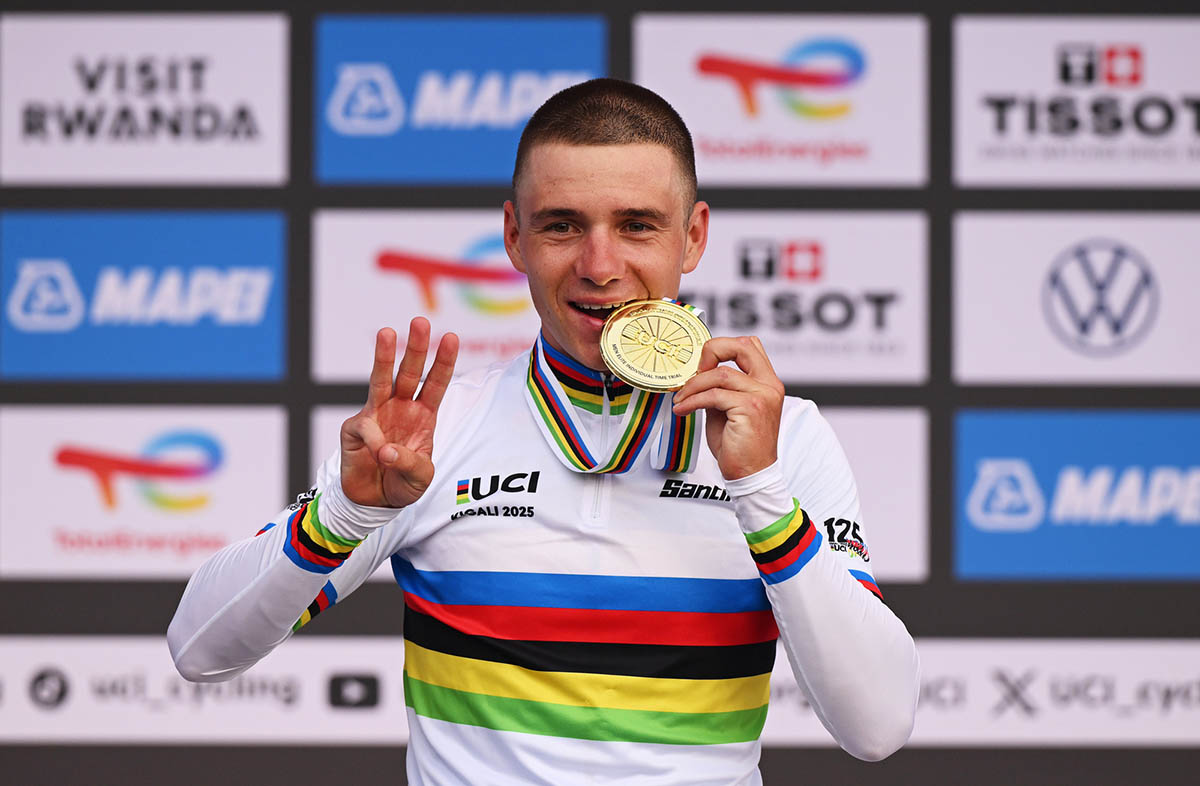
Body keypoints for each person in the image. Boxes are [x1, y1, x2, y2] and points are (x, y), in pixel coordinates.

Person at [168, 78, 919, 784]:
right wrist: (344, 513)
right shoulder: (435, 433)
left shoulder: (784, 440)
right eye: (563, 226)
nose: (600, 265)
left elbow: (878, 726)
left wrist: (760, 493)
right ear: (514, 236)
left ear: (692, 238)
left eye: (637, 226)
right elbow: (199, 650)